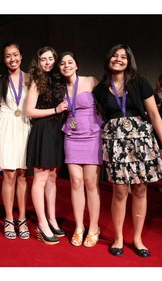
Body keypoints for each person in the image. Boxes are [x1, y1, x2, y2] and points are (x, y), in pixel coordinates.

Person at [93, 44, 162, 257]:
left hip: (142, 141)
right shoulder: (100, 89)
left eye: (123, 57)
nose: (118, 59)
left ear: (129, 61)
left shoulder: (140, 82)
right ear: (108, 59)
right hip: (115, 143)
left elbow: (154, 115)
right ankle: (118, 237)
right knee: (119, 190)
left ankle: (137, 238)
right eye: (115, 56)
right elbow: (100, 117)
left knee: (140, 188)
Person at [58, 51, 103, 247]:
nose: (66, 65)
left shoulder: (91, 81)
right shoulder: (59, 89)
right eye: (62, 63)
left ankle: (93, 228)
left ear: (76, 65)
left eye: (70, 62)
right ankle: (79, 227)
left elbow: (107, 102)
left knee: (90, 182)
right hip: (71, 134)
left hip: (92, 134)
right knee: (75, 181)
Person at [25, 46, 68, 245]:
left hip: (55, 131)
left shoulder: (57, 80)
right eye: (43, 59)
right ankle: (41, 222)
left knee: (52, 176)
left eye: (51, 58)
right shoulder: (36, 81)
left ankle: (51, 218)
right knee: (40, 178)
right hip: (42, 130)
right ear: (38, 62)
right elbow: (29, 111)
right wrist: (55, 109)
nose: (48, 62)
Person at [0, 41, 31, 240]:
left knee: (23, 174)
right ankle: (9, 218)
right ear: (4, 59)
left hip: (25, 125)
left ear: (21, 56)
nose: (12, 59)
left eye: (15, 55)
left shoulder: (31, 79)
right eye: (8, 56)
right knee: (9, 174)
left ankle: (22, 218)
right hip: (6, 125)